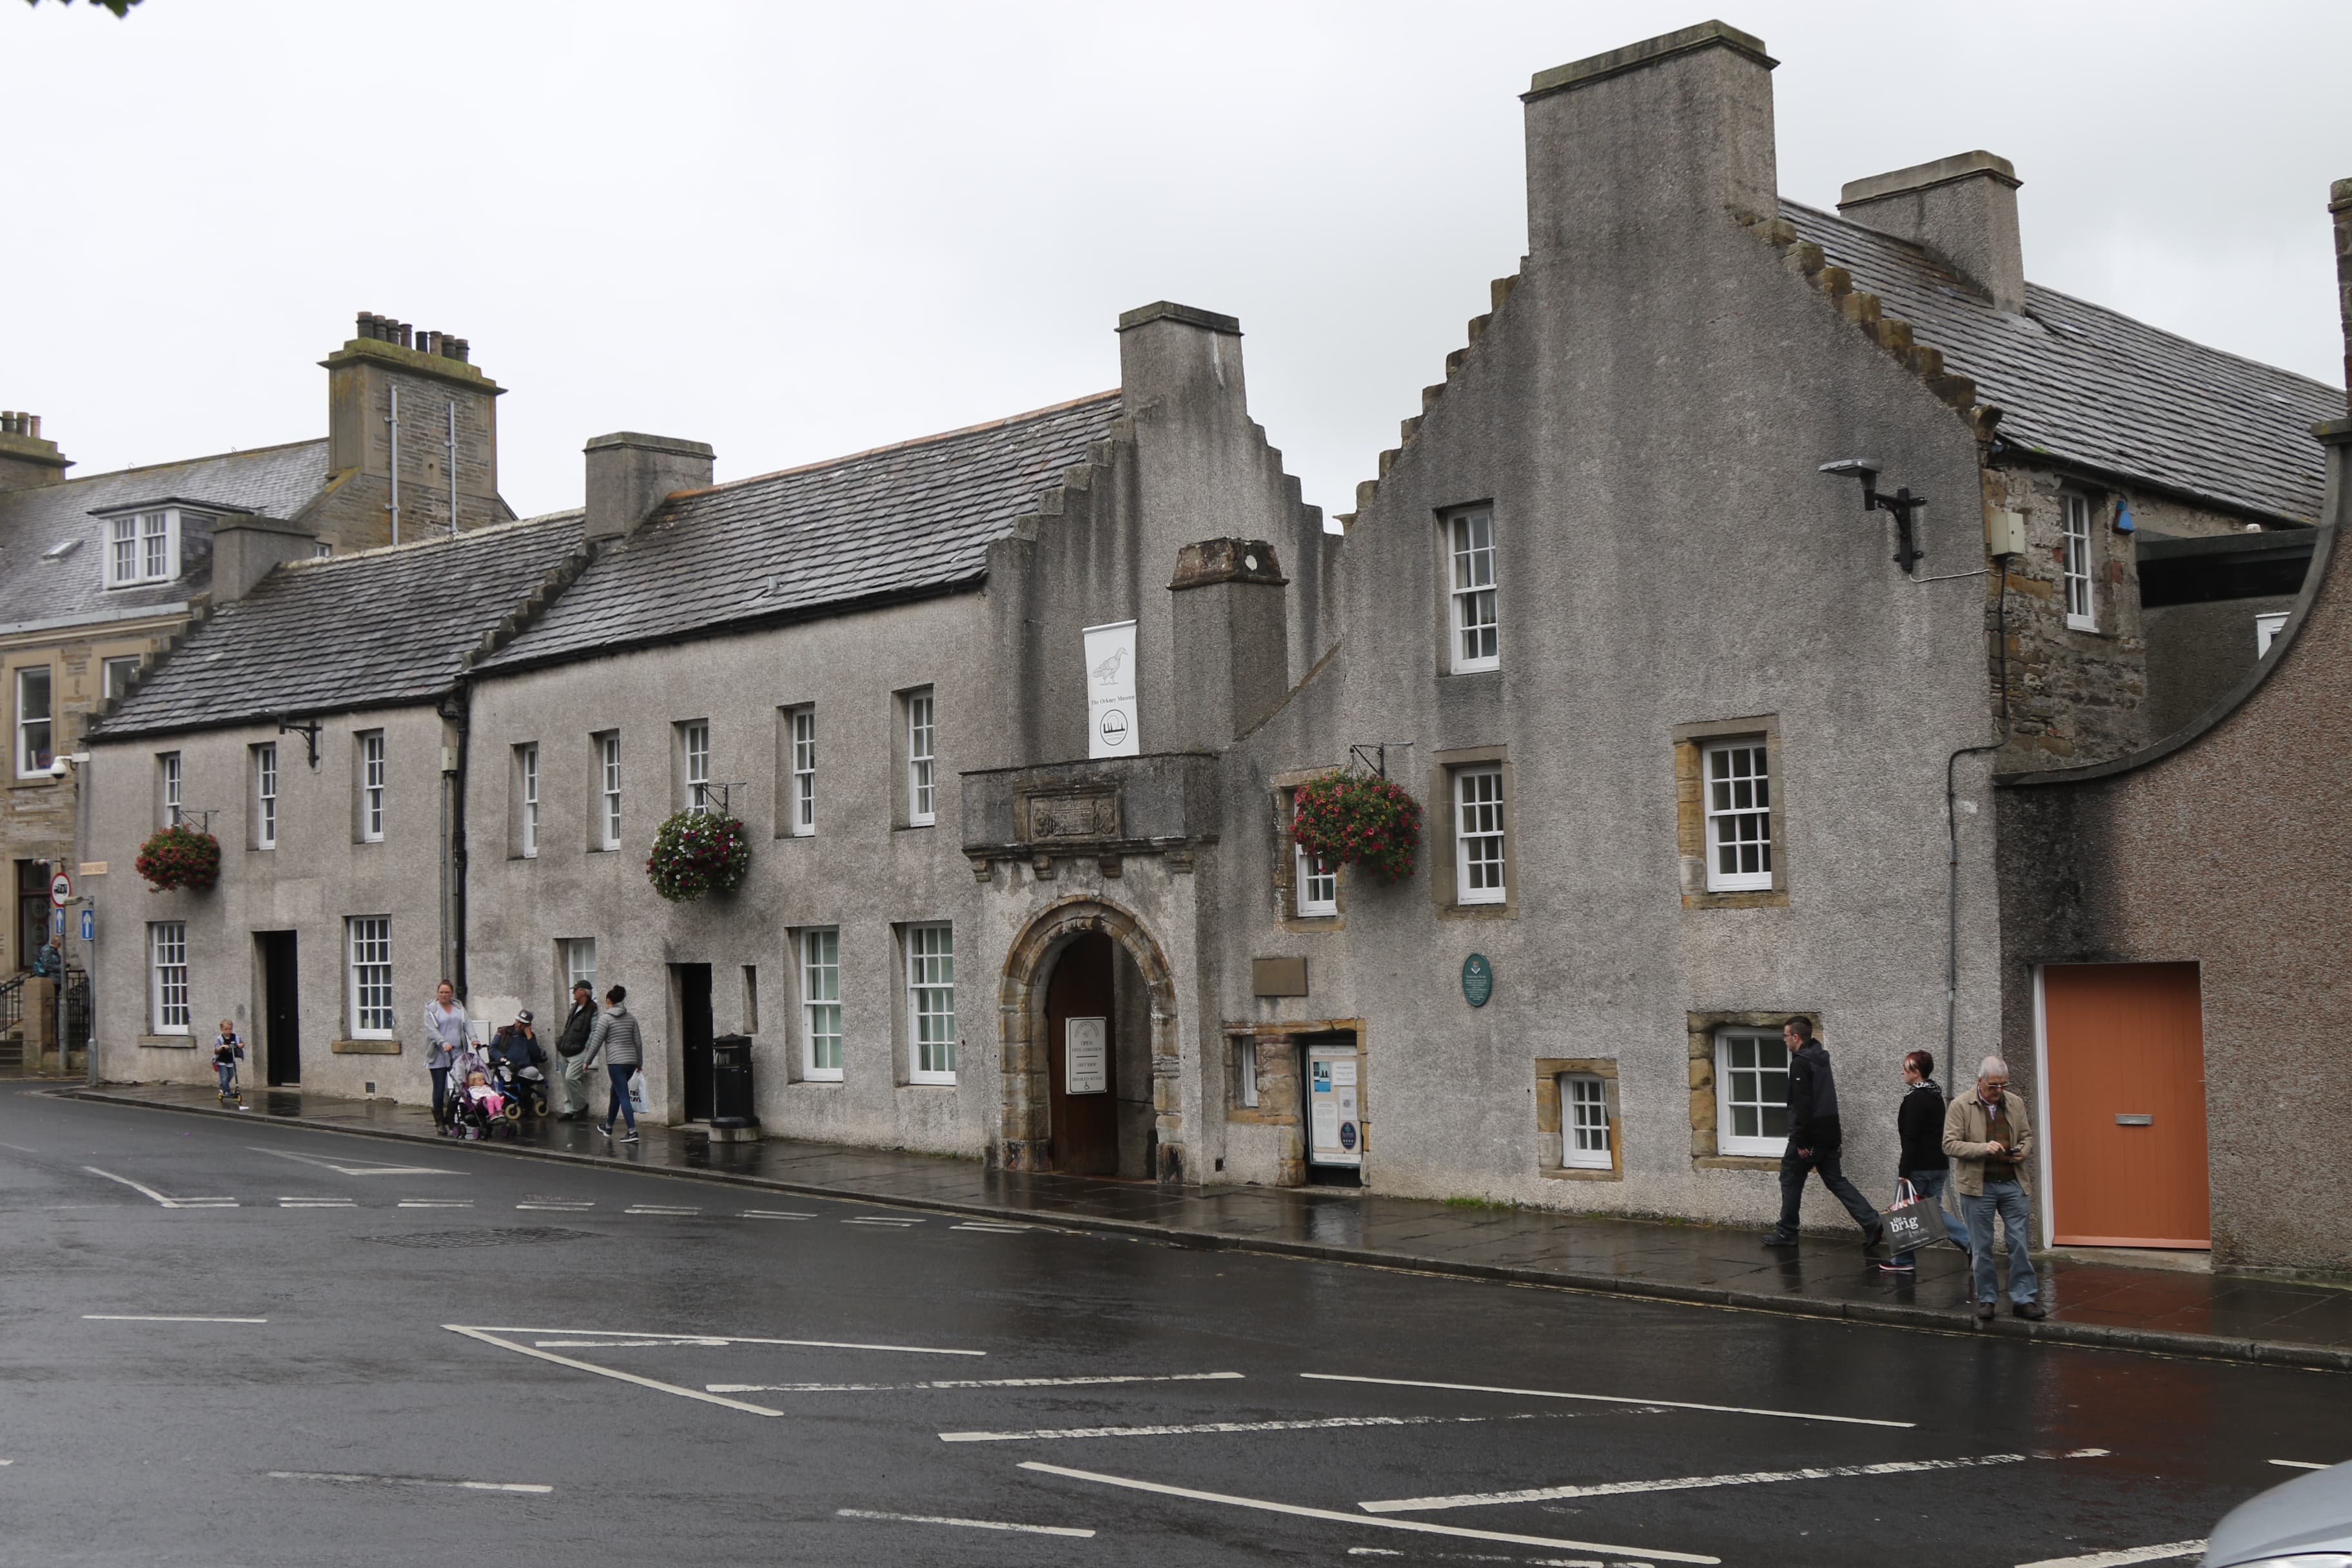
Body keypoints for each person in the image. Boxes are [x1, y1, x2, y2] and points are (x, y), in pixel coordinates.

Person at [1762, 1017, 1885, 1251]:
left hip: (1811, 1136)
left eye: (1785, 1036)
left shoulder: (1800, 1063)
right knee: (1835, 1180)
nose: (1784, 1041)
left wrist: (1800, 1140)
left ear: (1796, 1037)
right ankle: (1871, 1221)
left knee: (1790, 1177)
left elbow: (1803, 1105)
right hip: (1829, 1133)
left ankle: (1787, 1232)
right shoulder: (1820, 1059)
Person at [1945, 1055, 2044, 1320]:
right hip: (1979, 1187)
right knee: (1982, 1246)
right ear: (1980, 1081)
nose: (1998, 1091)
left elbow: (2027, 1137)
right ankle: (1987, 1299)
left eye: (2003, 1085)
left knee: (2019, 1243)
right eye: (1993, 1086)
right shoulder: (1960, 1106)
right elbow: (1949, 1144)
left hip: (2013, 1183)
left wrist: (2022, 1152)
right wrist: (1982, 1148)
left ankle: (2024, 1299)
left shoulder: (2015, 1103)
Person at [1882, 1049, 1953, 1274]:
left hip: (1919, 1167)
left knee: (1905, 1213)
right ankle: (1971, 1246)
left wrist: (1904, 1171)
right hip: (1939, 1165)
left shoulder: (1915, 1099)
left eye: (1906, 1068)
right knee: (1934, 1212)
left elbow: (1911, 1138)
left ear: (1916, 1072)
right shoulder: (1935, 1095)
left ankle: (1903, 1260)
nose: (1902, 1071)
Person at [578, 984, 643, 1143]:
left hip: (616, 1063)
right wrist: (639, 1063)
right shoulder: (631, 1019)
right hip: (631, 1062)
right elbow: (638, 1042)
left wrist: (587, 1061)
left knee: (623, 1095)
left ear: (609, 1000)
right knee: (615, 1092)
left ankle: (632, 1131)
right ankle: (608, 1127)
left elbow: (596, 1043)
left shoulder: (606, 1019)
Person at [422, 979, 471, 1126]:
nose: (444, 995)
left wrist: (474, 1039)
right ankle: (439, 1122)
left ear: (452, 993)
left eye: (447, 992)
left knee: (460, 1085)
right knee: (439, 1087)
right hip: (438, 1054)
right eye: (441, 992)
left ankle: (450, 1117)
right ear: (437, 993)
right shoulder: (431, 1009)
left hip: (457, 1053)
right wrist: (444, 1043)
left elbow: (467, 1024)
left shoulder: (458, 1008)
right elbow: (432, 1031)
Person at [553, 980, 598, 1120]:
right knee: (566, 1081)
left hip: (580, 1050)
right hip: (566, 1049)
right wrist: (561, 1042)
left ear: (584, 992)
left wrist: (587, 1048)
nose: (573, 992)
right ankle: (570, 1109)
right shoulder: (574, 1007)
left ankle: (581, 1107)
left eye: (576, 990)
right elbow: (568, 1027)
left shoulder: (592, 1009)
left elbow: (595, 1030)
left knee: (571, 1078)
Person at [212, 1019, 244, 1102]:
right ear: (222, 1029)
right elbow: (216, 1050)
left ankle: (223, 1085)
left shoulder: (235, 1037)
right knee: (224, 1076)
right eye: (226, 1029)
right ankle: (227, 1091)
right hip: (221, 1060)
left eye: (230, 1029)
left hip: (230, 1060)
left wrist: (238, 1045)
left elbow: (242, 1044)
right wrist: (223, 1047)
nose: (228, 1031)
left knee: (231, 1075)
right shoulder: (220, 1038)